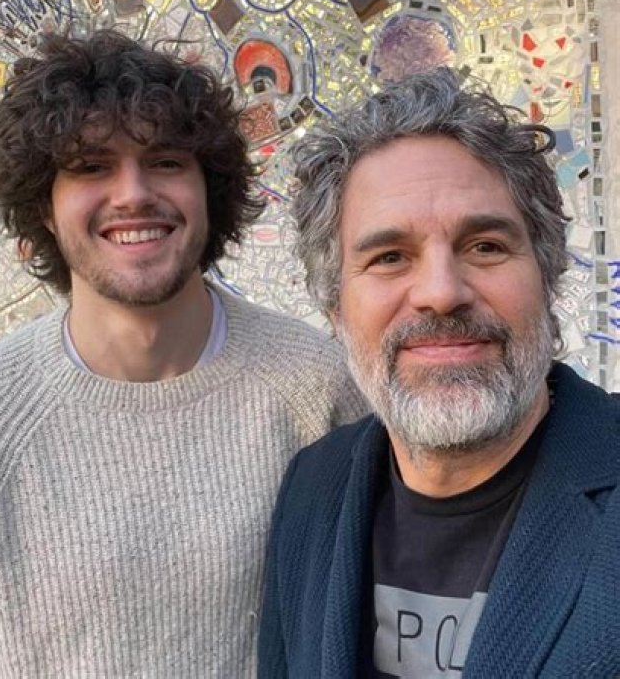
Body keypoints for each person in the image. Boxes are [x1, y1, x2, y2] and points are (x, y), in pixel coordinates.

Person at [0, 30, 366, 677]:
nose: (132, 194)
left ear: (210, 190)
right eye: (91, 166)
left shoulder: (320, 388)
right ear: (44, 206)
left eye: (166, 161)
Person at [259, 67, 620, 678]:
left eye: (485, 246)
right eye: (389, 257)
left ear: (548, 274)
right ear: (334, 306)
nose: (441, 293)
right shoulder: (312, 487)